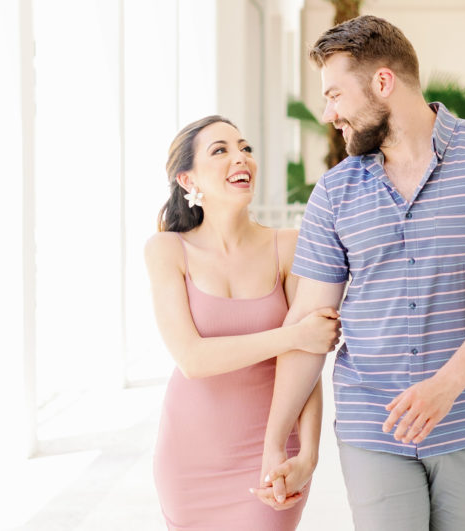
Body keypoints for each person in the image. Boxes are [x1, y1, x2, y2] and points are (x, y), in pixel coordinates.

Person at [256, 16, 465, 530]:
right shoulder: (334, 192)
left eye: (334, 95)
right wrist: (280, 446)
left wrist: (446, 385)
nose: (328, 113)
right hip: (371, 421)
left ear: (383, 82)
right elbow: (308, 324)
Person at [145, 115, 341, 530]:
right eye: (221, 150)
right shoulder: (167, 251)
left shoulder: (288, 246)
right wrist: (294, 335)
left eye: (245, 148)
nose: (241, 158)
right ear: (187, 179)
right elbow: (192, 360)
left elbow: (306, 366)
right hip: (188, 459)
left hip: (269, 452)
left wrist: (308, 454)